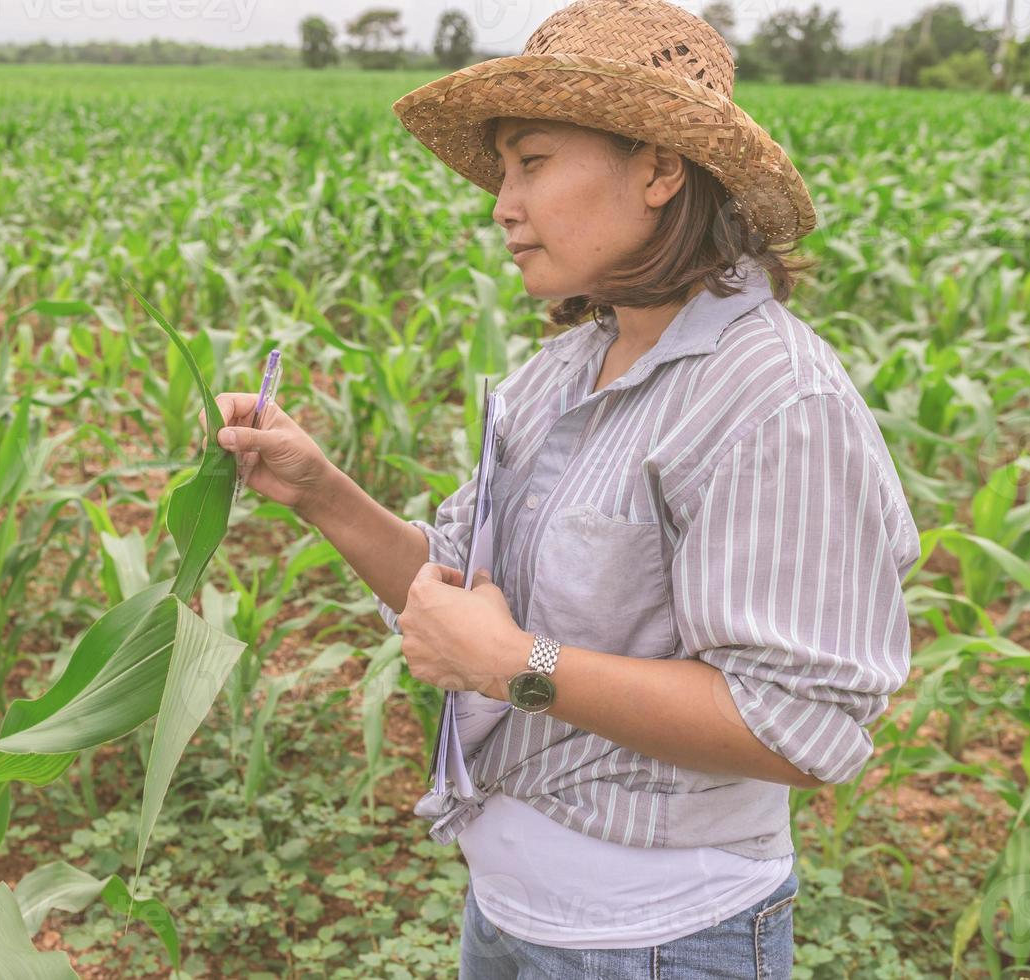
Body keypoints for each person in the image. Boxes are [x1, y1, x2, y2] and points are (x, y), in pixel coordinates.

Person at [201, 1, 920, 975]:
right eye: (502, 171)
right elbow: (460, 591)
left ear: (660, 168)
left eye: (532, 162)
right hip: (508, 919)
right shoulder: (565, 368)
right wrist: (321, 489)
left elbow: (795, 727)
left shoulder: (771, 397)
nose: (502, 203)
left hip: (663, 942)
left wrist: (517, 665)